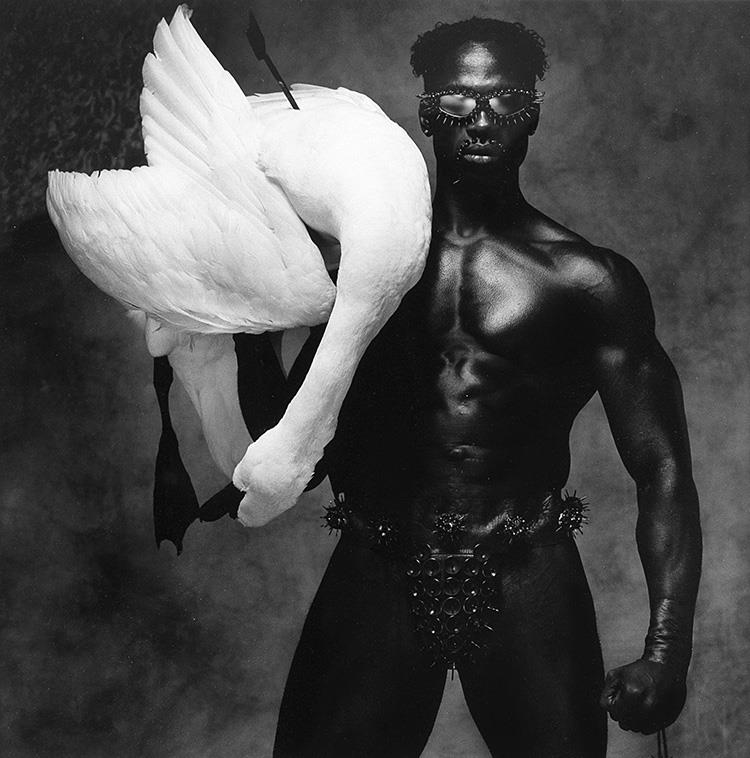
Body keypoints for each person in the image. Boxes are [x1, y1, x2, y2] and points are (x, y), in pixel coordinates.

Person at [243, 18, 702, 758]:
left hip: (528, 572)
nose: (481, 120)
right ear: (426, 111)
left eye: (506, 100)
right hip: (378, 565)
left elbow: (662, 468)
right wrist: (246, 319)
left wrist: (667, 650)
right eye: (457, 99)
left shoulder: (588, 282)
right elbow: (295, 455)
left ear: (534, 115)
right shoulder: (357, 273)